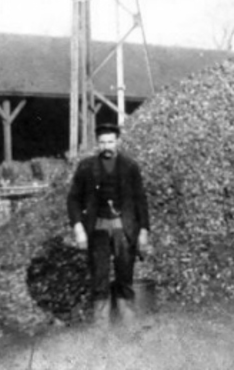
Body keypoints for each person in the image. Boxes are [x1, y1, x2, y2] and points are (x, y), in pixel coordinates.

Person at [67, 123, 151, 327]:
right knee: (99, 277)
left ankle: (128, 324)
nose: (107, 146)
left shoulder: (130, 166)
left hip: (124, 229)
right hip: (97, 229)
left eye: (110, 142)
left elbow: (140, 200)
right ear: (97, 143)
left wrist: (143, 230)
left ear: (118, 142)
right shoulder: (86, 167)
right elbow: (73, 199)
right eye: (103, 142)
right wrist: (78, 228)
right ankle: (101, 328)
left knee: (125, 275)